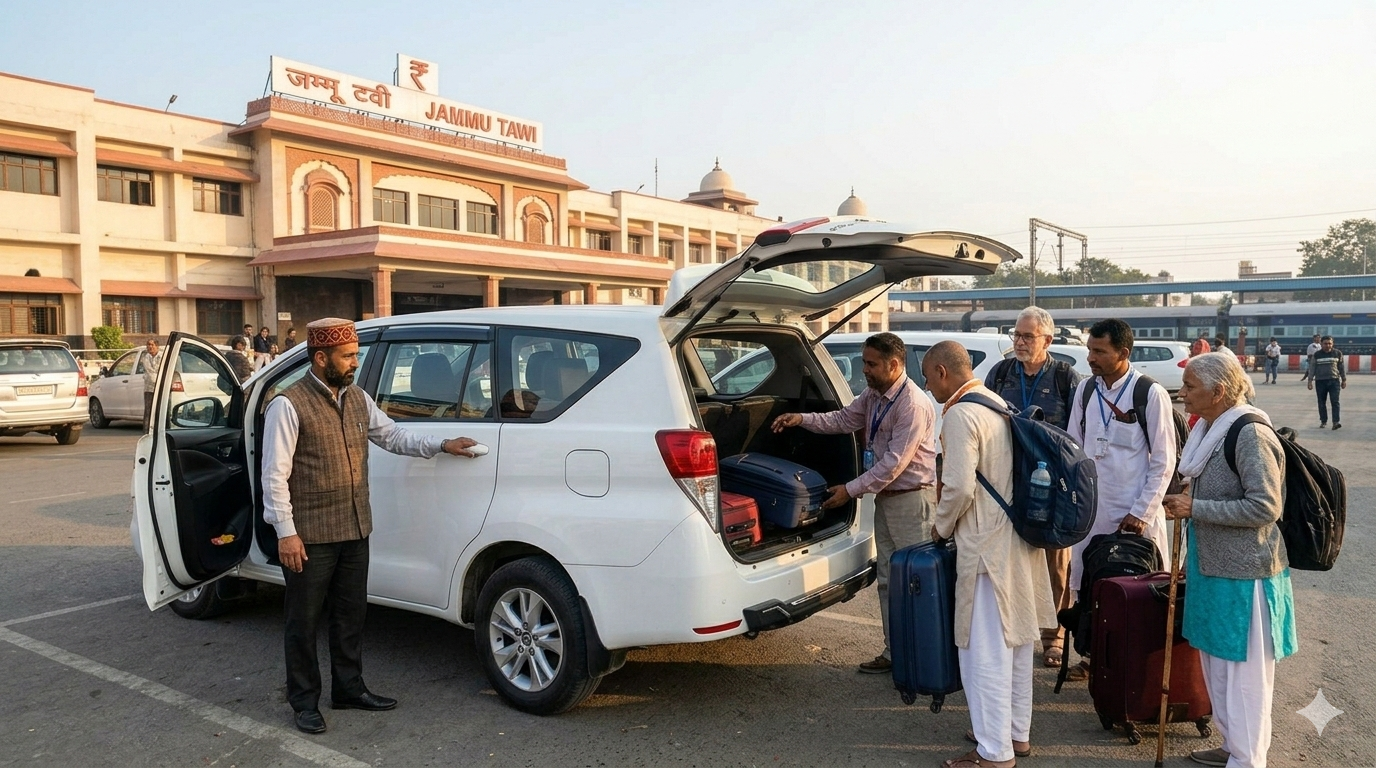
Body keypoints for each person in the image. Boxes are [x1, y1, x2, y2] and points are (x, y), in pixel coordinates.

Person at [261, 318, 480, 735]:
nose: (354, 364)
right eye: (347, 357)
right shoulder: (288, 405)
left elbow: (394, 437)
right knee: (303, 622)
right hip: (309, 536)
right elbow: (274, 475)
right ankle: (304, 701)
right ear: (321, 357)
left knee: (350, 615)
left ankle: (349, 689)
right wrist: (285, 531)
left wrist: (441, 444)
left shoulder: (358, 398)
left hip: (355, 527)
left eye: (356, 356)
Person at [770, 332, 937, 675]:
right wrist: (801, 419)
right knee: (889, 580)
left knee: (916, 584)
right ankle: (895, 654)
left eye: (871, 364)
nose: (865, 370)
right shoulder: (873, 396)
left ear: (894, 365)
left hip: (912, 502)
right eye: (864, 362)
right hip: (887, 500)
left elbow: (893, 464)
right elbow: (843, 420)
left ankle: (924, 656)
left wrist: (850, 490)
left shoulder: (913, 404)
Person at [924, 341, 1054, 768]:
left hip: (984, 548)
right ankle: (1015, 735)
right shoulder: (997, 401)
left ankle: (993, 752)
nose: (929, 388)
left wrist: (939, 527)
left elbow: (959, 487)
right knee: (1016, 644)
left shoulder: (962, 414)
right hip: (1016, 539)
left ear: (942, 372)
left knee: (984, 653)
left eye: (928, 378)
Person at [1163, 352, 1297, 768]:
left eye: (1190, 388)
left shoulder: (1249, 433)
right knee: (1217, 666)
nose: (1182, 395)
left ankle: (1248, 758)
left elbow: (1265, 507)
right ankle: (1232, 745)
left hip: (1247, 573)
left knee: (1245, 677)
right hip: (1213, 566)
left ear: (1219, 392)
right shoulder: (1209, 428)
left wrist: (1194, 508)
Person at [1065, 318, 1176, 680]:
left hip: (1135, 515)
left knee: (1139, 590)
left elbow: (1163, 460)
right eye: (1089, 350)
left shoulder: (1148, 393)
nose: (1091, 358)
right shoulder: (1085, 390)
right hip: (1092, 513)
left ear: (1123, 353)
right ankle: (1093, 657)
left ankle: (1139, 666)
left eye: (1100, 352)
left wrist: (1141, 512)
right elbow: (1074, 449)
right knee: (1090, 586)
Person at [983, 306, 1082, 670]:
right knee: (1012, 557)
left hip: (1051, 482)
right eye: (1017, 335)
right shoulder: (1002, 372)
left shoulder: (1064, 377)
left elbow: (1078, 436)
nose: (1020, 342)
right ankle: (1015, 630)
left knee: (1056, 562)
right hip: (1008, 480)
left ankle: (1054, 635)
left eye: (1028, 336)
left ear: (1048, 340)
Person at [1307, 335, 1346, 430]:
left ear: (1332, 344)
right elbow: (1312, 368)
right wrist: (1310, 381)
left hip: (1334, 381)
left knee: (1335, 402)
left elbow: (1341, 367)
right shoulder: (1317, 355)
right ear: (1321, 344)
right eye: (1325, 343)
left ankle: (1335, 422)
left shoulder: (1338, 353)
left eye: (1330, 343)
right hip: (1320, 382)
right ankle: (1323, 421)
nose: (1327, 345)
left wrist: (1344, 379)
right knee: (1321, 402)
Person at [141, 338, 163, 432]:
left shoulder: (162, 356)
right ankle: (147, 431)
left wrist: (156, 377)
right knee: (148, 410)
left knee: (160, 409)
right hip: (149, 387)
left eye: (152, 345)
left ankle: (160, 430)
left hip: (160, 387)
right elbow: (149, 371)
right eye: (148, 345)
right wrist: (155, 377)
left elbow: (160, 370)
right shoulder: (146, 357)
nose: (150, 347)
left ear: (157, 346)